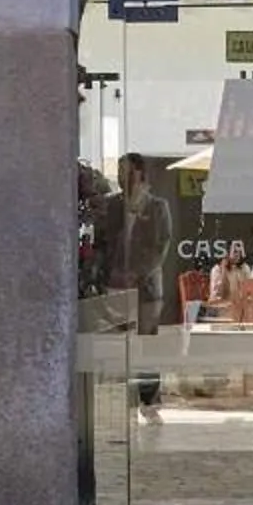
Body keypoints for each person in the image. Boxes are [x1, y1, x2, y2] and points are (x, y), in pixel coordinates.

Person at [99, 154, 172, 416]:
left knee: (146, 342)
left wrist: (138, 273)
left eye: (126, 171)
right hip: (115, 284)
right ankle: (122, 396)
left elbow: (160, 245)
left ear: (140, 174)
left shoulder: (157, 206)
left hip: (147, 288)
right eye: (119, 171)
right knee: (119, 343)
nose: (122, 177)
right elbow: (102, 244)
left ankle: (149, 397)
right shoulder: (111, 206)